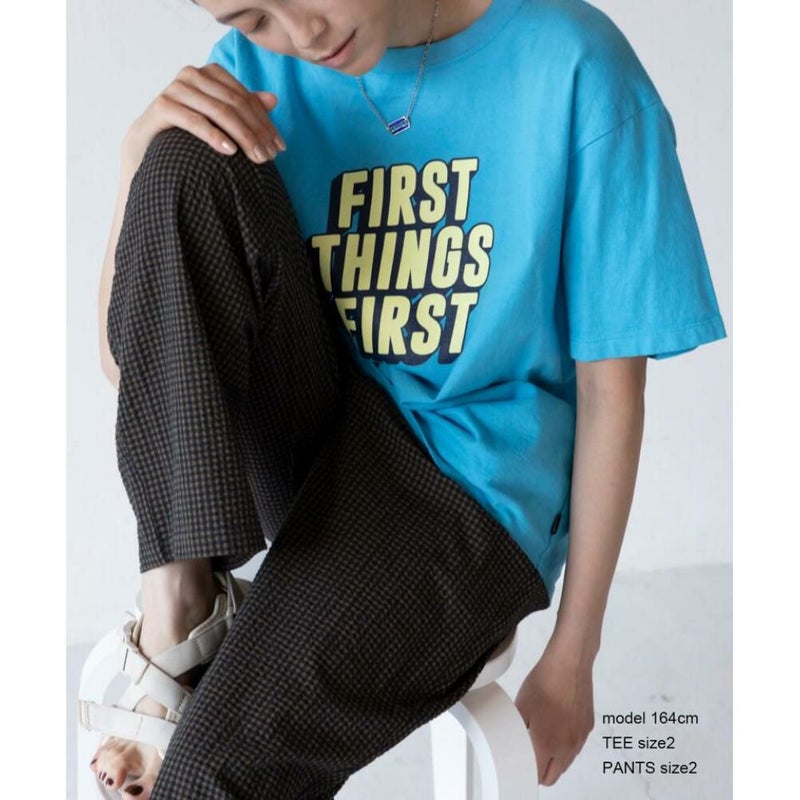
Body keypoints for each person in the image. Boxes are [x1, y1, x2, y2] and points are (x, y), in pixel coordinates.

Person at [81, 0, 726, 797]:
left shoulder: (574, 67)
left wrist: (574, 653)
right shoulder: (253, 76)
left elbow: (610, 391)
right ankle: (179, 605)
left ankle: (204, 659)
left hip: (470, 488)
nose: (302, 34)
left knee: (212, 775)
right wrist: (136, 159)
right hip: (314, 445)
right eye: (255, 18)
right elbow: (131, 368)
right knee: (184, 150)